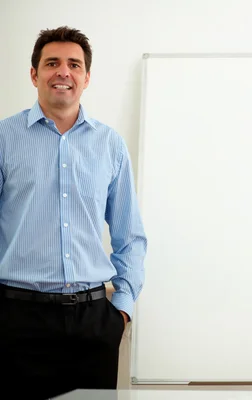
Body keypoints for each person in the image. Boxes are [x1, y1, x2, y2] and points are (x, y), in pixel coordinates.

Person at [0, 26, 146, 399]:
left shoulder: (110, 144)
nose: (63, 71)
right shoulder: (4, 139)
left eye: (74, 64)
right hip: (17, 320)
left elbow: (129, 235)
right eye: (52, 63)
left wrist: (122, 309)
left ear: (86, 77)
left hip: (93, 322)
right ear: (35, 75)